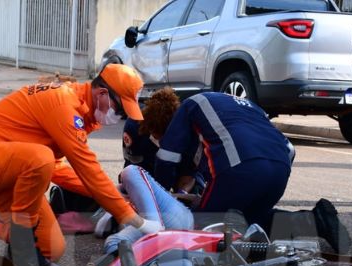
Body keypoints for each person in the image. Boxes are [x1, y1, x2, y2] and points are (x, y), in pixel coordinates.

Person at [0, 63, 162, 266]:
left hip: (13, 172)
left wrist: (113, 191)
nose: (121, 117)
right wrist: (135, 220)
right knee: (41, 159)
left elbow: (56, 168)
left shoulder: (81, 109)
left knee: (52, 249)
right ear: (102, 93)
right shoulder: (64, 105)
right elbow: (85, 168)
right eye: (120, 109)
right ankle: (22, 249)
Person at [105, 88, 295, 253]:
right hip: (280, 172)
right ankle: (313, 221)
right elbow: (290, 150)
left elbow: (166, 158)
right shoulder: (240, 108)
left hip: (238, 171)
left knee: (207, 223)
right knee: (252, 221)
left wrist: (161, 194)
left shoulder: (190, 109)